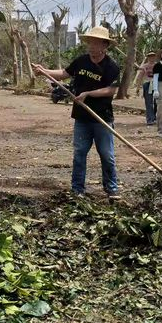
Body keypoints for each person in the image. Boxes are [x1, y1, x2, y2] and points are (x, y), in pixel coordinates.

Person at [31, 26, 121, 200]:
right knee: (79, 153)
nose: (92, 46)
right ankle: (77, 189)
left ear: (105, 45)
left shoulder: (111, 66)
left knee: (107, 155)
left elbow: (111, 90)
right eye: (90, 42)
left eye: (96, 43)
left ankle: (111, 188)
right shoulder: (81, 61)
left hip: (102, 117)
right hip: (82, 117)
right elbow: (64, 73)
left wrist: (88, 94)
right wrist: (45, 71)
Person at [133, 51, 158, 125]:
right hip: (147, 84)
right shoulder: (144, 66)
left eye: (153, 56)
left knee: (157, 102)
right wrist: (138, 87)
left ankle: (154, 117)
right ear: (148, 57)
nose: (152, 58)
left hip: (156, 85)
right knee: (149, 102)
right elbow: (140, 76)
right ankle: (150, 119)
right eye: (150, 56)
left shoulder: (158, 65)